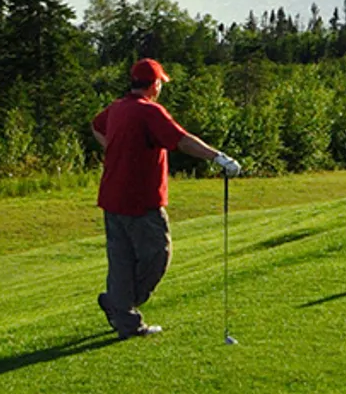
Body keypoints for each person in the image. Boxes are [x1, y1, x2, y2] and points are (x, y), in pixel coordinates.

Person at [91, 58, 241, 339]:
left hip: (112, 197)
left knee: (121, 261)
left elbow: (97, 127)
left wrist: (114, 147)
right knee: (158, 254)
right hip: (141, 201)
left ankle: (125, 319)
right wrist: (218, 158)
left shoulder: (117, 108)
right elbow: (181, 140)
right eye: (160, 82)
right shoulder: (150, 112)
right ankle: (119, 306)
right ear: (154, 84)